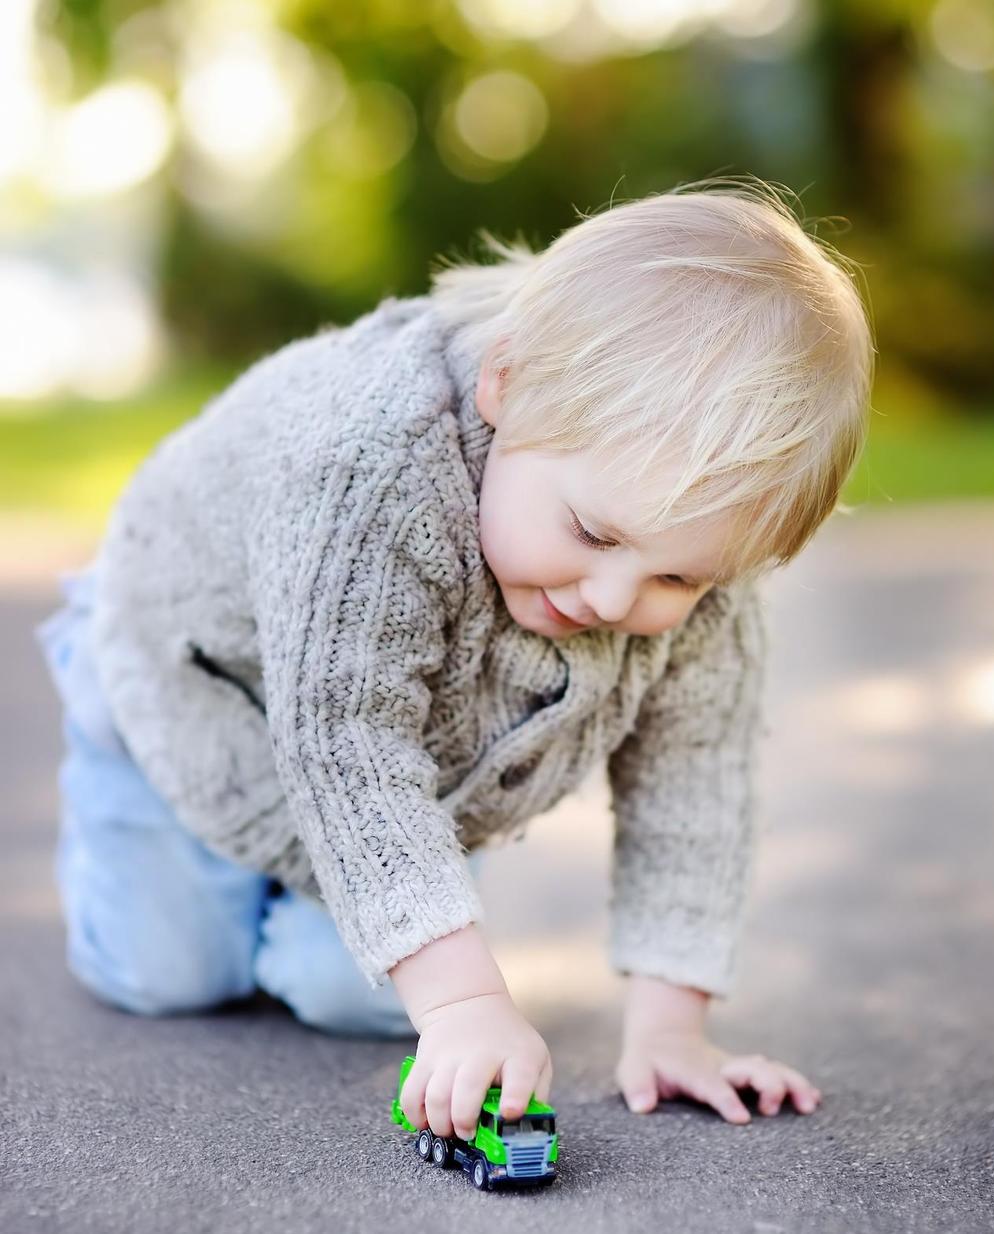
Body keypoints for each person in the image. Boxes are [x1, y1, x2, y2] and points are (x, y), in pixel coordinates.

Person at [36, 178, 874, 1139]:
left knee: (373, 1001)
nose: (612, 601)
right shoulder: (370, 466)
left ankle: (322, 887)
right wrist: (466, 1001)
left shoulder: (691, 552)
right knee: (170, 972)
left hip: (393, 745)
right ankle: (143, 786)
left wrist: (672, 1028)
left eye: (677, 581)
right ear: (506, 387)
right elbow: (345, 734)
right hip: (201, 679)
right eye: (593, 533)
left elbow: (697, 779)